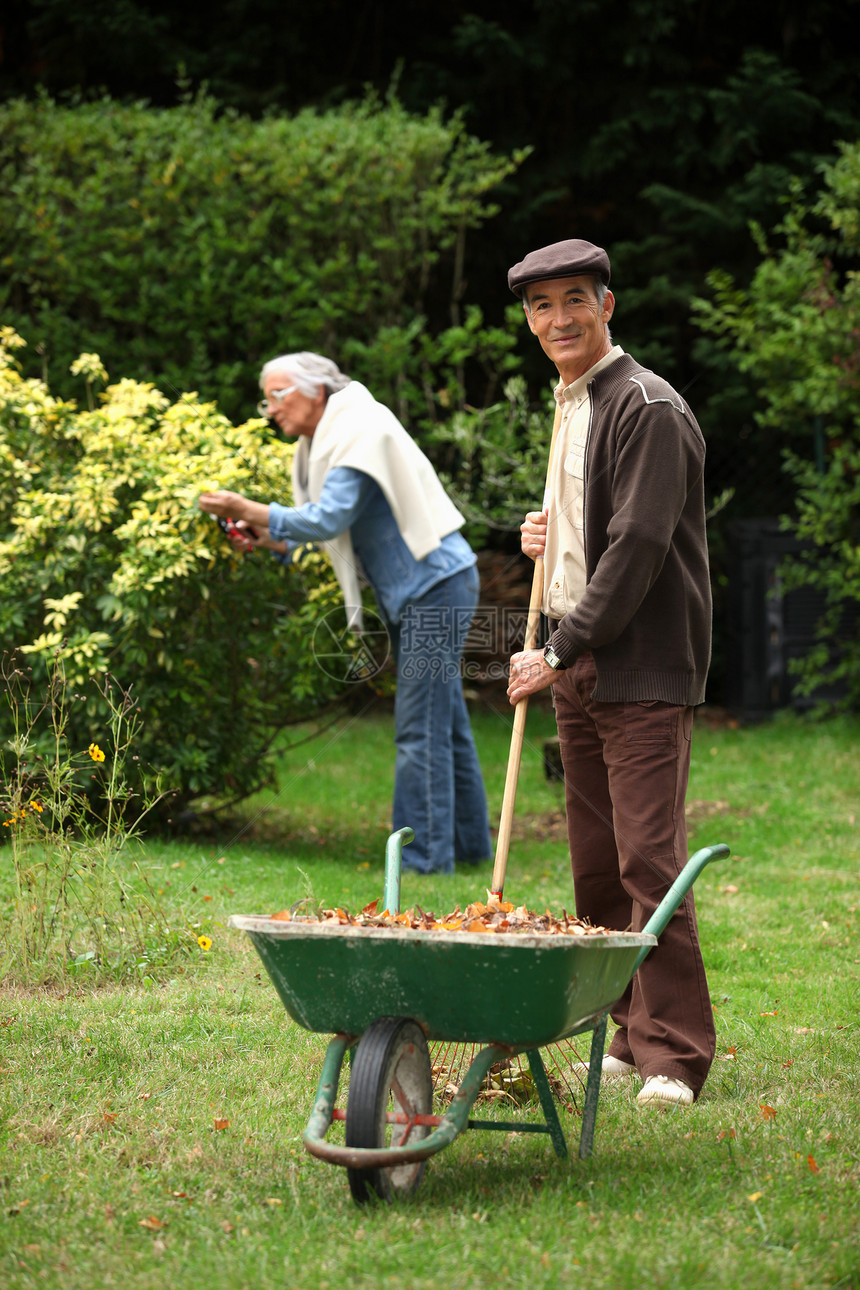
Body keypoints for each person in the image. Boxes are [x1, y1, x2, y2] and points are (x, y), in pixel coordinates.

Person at [504, 239, 715, 1108]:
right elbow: (595, 530)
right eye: (541, 306)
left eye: (573, 301)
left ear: (607, 305)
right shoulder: (573, 403)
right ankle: (624, 1030)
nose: (558, 319)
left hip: (635, 668)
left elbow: (637, 549)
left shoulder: (648, 406)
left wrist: (555, 651)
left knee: (648, 866)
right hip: (579, 665)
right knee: (595, 866)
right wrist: (543, 544)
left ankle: (674, 1055)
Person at [198, 351, 492, 876]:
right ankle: (467, 850)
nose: (270, 409)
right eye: (265, 398)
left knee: (418, 729)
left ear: (315, 390)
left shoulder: (357, 425)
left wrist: (249, 509)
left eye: (277, 394)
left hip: (436, 587)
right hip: (426, 588)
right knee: (443, 724)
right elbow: (333, 530)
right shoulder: (324, 440)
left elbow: (328, 516)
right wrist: (268, 539)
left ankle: (423, 861)